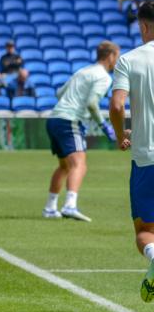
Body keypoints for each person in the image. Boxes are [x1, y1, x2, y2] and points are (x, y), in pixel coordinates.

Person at [43, 41, 121, 222]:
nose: (116, 61)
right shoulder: (103, 77)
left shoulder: (83, 71)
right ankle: (70, 205)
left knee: (64, 166)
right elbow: (92, 104)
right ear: (110, 56)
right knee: (79, 163)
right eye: (116, 57)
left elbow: (59, 93)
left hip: (54, 118)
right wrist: (104, 125)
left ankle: (50, 207)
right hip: (70, 121)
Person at [109, 0, 154, 302]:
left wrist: (118, 134)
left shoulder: (130, 60)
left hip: (147, 156)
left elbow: (116, 105)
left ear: (143, 25)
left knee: (145, 230)